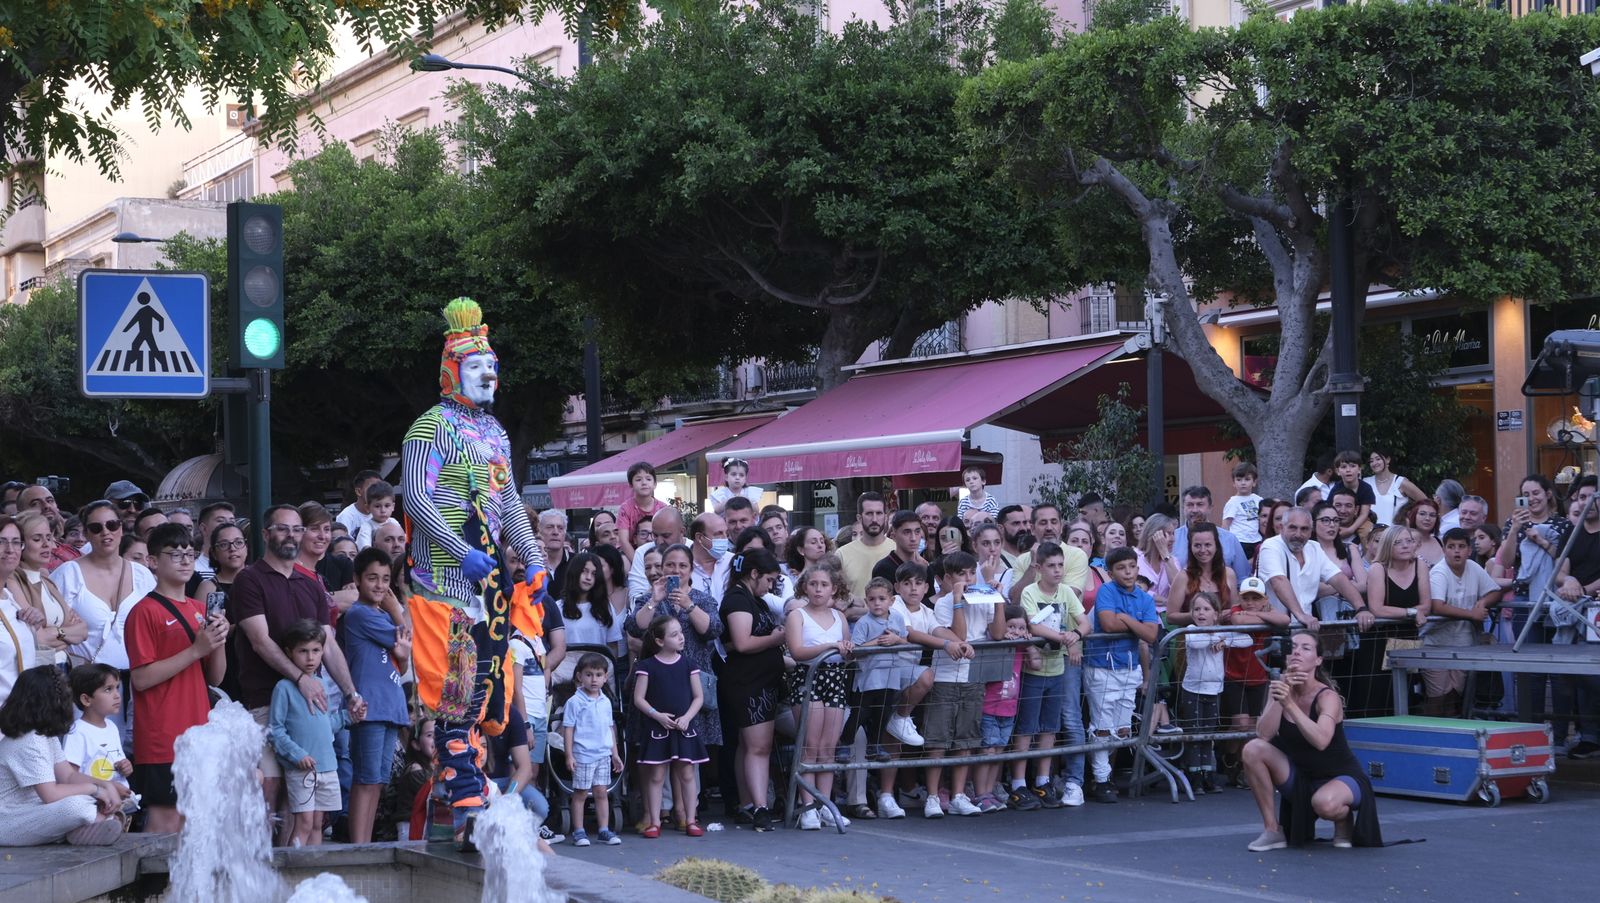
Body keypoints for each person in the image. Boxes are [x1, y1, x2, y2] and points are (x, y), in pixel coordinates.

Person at [399, 299, 549, 846]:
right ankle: (466, 801)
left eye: (493, 366)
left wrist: (532, 557)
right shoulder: (429, 428)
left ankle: (472, 793)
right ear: (451, 371)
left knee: (487, 694)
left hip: (489, 590)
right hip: (445, 583)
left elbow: (508, 500)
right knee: (455, 695)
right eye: (478, 366)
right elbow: (416, 498)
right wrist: (457, 550)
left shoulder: (496, 435)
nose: (490, 374)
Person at [229, 504, 365, 839]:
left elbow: (329, 644)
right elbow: (260, 641)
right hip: (265, 701)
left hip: (310, 708)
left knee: (302, 802)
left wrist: (351, 694)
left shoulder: (311, 585)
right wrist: (302, 678)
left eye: (296, 529)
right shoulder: (250, 579)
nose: (290, 535)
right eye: (282, 528)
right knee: (270, 787)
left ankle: (294, 873)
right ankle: (261, 870)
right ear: (265, 534)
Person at [127, 523, 228, 833]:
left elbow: (216, 678)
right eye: (175, 554)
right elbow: (141, 679)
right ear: (153, 561)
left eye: (190, 553)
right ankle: (151, 884)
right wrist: (197, 650)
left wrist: (219, 642)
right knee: (165, 819)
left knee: (194, 820)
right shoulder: (144, 611)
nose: (186, 561)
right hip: (163, 734)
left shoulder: (200, 608)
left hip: (197, 732)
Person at [1242, 631, 1383, 851]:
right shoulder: (1279, 686)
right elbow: (1264, 734)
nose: (1297, 651)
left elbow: (1321, 741)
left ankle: (1343, 819)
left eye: (1306, 648)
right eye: (1293, 647)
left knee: (1324, 803)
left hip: (1341, 776)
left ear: (1318, 660)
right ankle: (1272, 830)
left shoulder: (1327, 697)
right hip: (1301, 776)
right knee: (1252, 749)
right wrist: (1281, 697)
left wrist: (1289, 705)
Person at [0, 666, 130, 846]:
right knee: (77, 806)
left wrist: (105, 785)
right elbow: (51, 795)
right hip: (7, 822)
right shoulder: (29, 740)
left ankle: (84, 828)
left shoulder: (43, 735)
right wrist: (96, 790)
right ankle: (95, 823)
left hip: (30, 812)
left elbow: (68, 776)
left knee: (85, 798)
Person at [340, 548, 412, 844]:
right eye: (372, 578)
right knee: (366, 779)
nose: (381, 585)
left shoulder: (379, 615)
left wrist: (403, 650)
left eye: (385, 579)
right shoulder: (360, 614)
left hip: (388, 705)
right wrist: (397, 609)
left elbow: (404, 657)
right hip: (368, 707)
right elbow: (405, 638)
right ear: (357, 579)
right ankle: (359, 846)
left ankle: (366, 843)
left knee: (378, 781)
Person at [924, 551, 1003, 819]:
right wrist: (958, 601)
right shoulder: (945, 603)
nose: (969, 579)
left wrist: (998, 599)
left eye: (972, 573)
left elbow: (999, 633)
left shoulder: (983, 598)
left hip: (974, 675)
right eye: (962, 574)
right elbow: (960, 635)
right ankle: (933, 795)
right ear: (948, 578)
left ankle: (958, 794)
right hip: (946, 675)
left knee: (966, 737)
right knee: (938, 738)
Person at [269, 619, 359, 847]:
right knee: (305, 822)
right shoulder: (284, 688)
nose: (310, 658)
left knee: (319, 823)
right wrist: (297, 755)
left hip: (327, 765)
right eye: (303, 651)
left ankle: (316, 874)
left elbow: (326, 724)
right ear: (289, 653)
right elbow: (276, 730)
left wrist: (349, 717)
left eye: (316, 651)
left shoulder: (319, 683)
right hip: (302, 768)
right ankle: (294, 871)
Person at [1082, 547, 1159, 804]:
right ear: (1111, 572)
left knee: (1122, 728)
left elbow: (1151, 634)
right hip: (1102, 666)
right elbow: (1108, 624)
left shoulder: (1144, 598)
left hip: (1129, 667)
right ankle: (1101, 778)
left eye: (1132, 567)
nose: (1128, 572)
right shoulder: (1106, 591)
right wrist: (1132, 625)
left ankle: (1107, 773)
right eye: (1121, 568)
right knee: (1102, 726)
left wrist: (1125, 617)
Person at [1014, 540, 1087, 809]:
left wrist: (1076, 634)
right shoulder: (1030, 593)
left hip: (1057, 668)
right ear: (1039, 568)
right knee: (1026, 728)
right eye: (1051, 566)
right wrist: (1063, 637)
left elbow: (1084, 621)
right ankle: (1018, 783)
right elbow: (1034, 625)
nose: (1057, 571)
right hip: (1034, 671)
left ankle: (1043, 779)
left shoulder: (1066, 591)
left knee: (1050, 727)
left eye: (1060, 565)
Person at [717, 549, 786, 832]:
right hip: (749, 685)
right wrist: (775, 639)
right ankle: (759, 807)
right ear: (754, 574)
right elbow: (743, 643)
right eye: (768, 580)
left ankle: (748, 804)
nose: (770, 587)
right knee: (758, 747)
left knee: (748, 746)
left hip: (759, 682)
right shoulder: (737, 599)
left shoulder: (751, 599)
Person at [785, 565, 855, 830]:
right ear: (805, 587)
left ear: (833, 589)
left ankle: (825, 805)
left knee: (828, 748)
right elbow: (797, 651)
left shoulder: (840, 616)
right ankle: (808, 807)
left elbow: (847, 651)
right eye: (813, 584)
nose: (818, 589)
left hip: (835, 679)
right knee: (810, 746)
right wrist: (830, 646)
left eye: (824, 585)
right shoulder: (797, 615)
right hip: (809, 678)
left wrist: (848, 650)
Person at [54, 500, 154, 673]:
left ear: (121, 528)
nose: (106, 532)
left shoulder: (142, 575)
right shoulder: (68, 574)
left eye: (112, 525)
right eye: (96, 528)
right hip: (86, 685)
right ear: (86, 533)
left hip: (138, 682)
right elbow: (50, 626)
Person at [632, 615, 710, 838]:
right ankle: (655, 822)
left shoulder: (688, 664)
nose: (681, 637)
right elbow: (639, 699)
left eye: (681, 633)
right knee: (656, 775)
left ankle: (690, 819)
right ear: (659, 641)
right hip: (658, 728)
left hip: (684, 727)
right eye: (674, 634)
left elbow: (698, 698)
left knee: (687, 773)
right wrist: (657, 716)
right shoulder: (647, 666)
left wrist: (686, 717)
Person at [1423, 528, 1502, 717]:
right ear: (1444, 549)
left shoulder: (1473, 567)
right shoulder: (1439, 572)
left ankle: (1451, 736)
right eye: (1451, 547)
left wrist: (1483, 602)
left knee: (1455, 694)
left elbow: (1496, 591)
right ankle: (1432, 733)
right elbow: (1437, 606)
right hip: (1436, 643)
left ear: (1469, 550)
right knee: (1437, 695)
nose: (1456, 551)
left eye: (1461, 547)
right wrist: (1471, 614)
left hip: (1464, 642)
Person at [1180, 592, 1252, 793]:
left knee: (1209, 733)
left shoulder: (1221, 632)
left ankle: (1207, 774)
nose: (1201, 613)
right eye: (1197, 609)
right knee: (1195, 734)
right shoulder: (1192, 630)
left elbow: (1247, 639)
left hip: (1214, 689)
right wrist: (1216, 636)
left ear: (1216, 614)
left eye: (1206, 609)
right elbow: (1197, 643)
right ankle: (1194, 776)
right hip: (1193, 690)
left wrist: (1224, 639)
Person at [1255, 508, 1366, 634]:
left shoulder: (1314, 548)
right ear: (1281, 527)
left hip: (1305, 629)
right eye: (1293, 527)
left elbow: (1338, 578)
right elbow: (1278, 580)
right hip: (1273, 631)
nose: (1298, 534)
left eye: (1304, 529)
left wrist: (1361, 608)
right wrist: (1300, 615)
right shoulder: (1271, 546)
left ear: (1310, 531)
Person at [974, 604, 1039, 814]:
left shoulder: (1021, 647)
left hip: (1009, 709)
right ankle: (980, 793)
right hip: (990, 708)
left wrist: (1029, 644)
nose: (1016, 633)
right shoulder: (996, 645)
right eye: (1011, 627)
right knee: (987, 750)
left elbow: (1036, 664)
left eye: (1021, 628)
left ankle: (990, 791)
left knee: (999, 752)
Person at [7, 512, 88, 668]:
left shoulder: (47, 581)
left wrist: (56, 633)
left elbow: (83, 631)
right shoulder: (12, 580)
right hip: (41, 672)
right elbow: (37, 639)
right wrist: (66, 634)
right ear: (20, 544)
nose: (46, 544)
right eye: (37, 539)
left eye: (49, 538)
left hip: (63, 667)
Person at [847, 578, 911, 770]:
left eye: (882, 598)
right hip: (868, 677)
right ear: (866, 602)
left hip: (890, 676)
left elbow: (907, 643)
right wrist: (876, 642)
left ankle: (875, 745)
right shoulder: (863, 623)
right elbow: (855, 650)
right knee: (861, 713)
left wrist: (896, 639)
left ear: (891, 600)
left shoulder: (898, 618)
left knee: (882, 712)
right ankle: (844, 742)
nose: (877, 603)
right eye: (872, 599)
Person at [563, 652, 624, 846]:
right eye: (588, 674)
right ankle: (579, 831)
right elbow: (569, 729)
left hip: (603, 754)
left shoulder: (605, 701)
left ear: (606, 677)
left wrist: (614, 754)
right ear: (579, 676)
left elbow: (609, 729)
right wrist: (569, 755)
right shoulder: (575, 701)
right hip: (583, 754)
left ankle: (604, 829)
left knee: (601, 792)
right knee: (580, 793)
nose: (594, 679)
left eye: (598, 675)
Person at [63, 664, 133, 794]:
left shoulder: (112, 727)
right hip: (95, 802)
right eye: (108, 689)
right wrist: (106, 787)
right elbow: (70, 777)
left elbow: (116, 761)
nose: (117, 695)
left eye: (117, 688)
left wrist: (126, 767)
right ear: (86, 699)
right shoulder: (77, 732)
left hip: (120, 802)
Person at [1167, 521, 1238, 627]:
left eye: (1208, 545)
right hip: (1193, 640)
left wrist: (1230, 614)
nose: (1203, 550)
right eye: (1197, 545)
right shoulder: (1183, 577)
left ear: (1216, 545)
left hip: (1224, 639)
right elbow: (1171, 616)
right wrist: (1199, 616)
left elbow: (1236, 610)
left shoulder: (1229, 574)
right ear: (1190, 547)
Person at [1174, 486, 1254, 579]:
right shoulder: (1172, 539)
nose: (1195, 510)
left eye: (1200, 504)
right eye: (1190, 505)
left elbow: (1242, 577)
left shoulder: (1229, 539)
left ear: (1210, 508)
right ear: (1183, 508)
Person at [837, 492, 890, 604]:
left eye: (879, 513)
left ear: (886, 517)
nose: (874, 519)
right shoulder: (842, 554)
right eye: (869, 514)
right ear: (859, 518)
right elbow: (835, 596)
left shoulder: (897, 550)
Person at [1364, 448, 1427, 527]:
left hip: (1396, 534)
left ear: (1388, 460)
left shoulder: (1400, 482)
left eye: (1378, 459)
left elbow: (1426, 502)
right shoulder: (1366, 482)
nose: (1374, 463)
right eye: (1371, 461)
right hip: (1372, 534)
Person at [617, 462, 665, 561]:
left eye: (648, 479)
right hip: (631, 553)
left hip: (660, 553)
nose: (644, 483)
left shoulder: (664, 509)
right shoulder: (625, 508)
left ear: (655, 484)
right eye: (638, 479)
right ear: (631, 484)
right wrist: (638, 562)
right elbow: (623, 540)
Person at [871, 510, 927, 585]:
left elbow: (931, 596)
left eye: (917, 532)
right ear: (893, 536)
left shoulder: (923, 566)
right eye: (907, 532)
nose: (913, 538)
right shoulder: (883, 568)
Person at [1223, 463, 1265, 560]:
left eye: (1247, 479)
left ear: (1254, 482)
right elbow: (1225, 525)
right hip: (1240, 541)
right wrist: (1226, 544)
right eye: (1239, 480)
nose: (1243, 483)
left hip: (1257, 540)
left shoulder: (1259, 500)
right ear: (1233, 483)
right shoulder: (1232, 502)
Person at [336, 471, 383, 541]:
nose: (377, 492)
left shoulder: (383, 513)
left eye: (380, 488)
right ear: (358, 492)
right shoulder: (346, 517)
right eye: (372, 488)